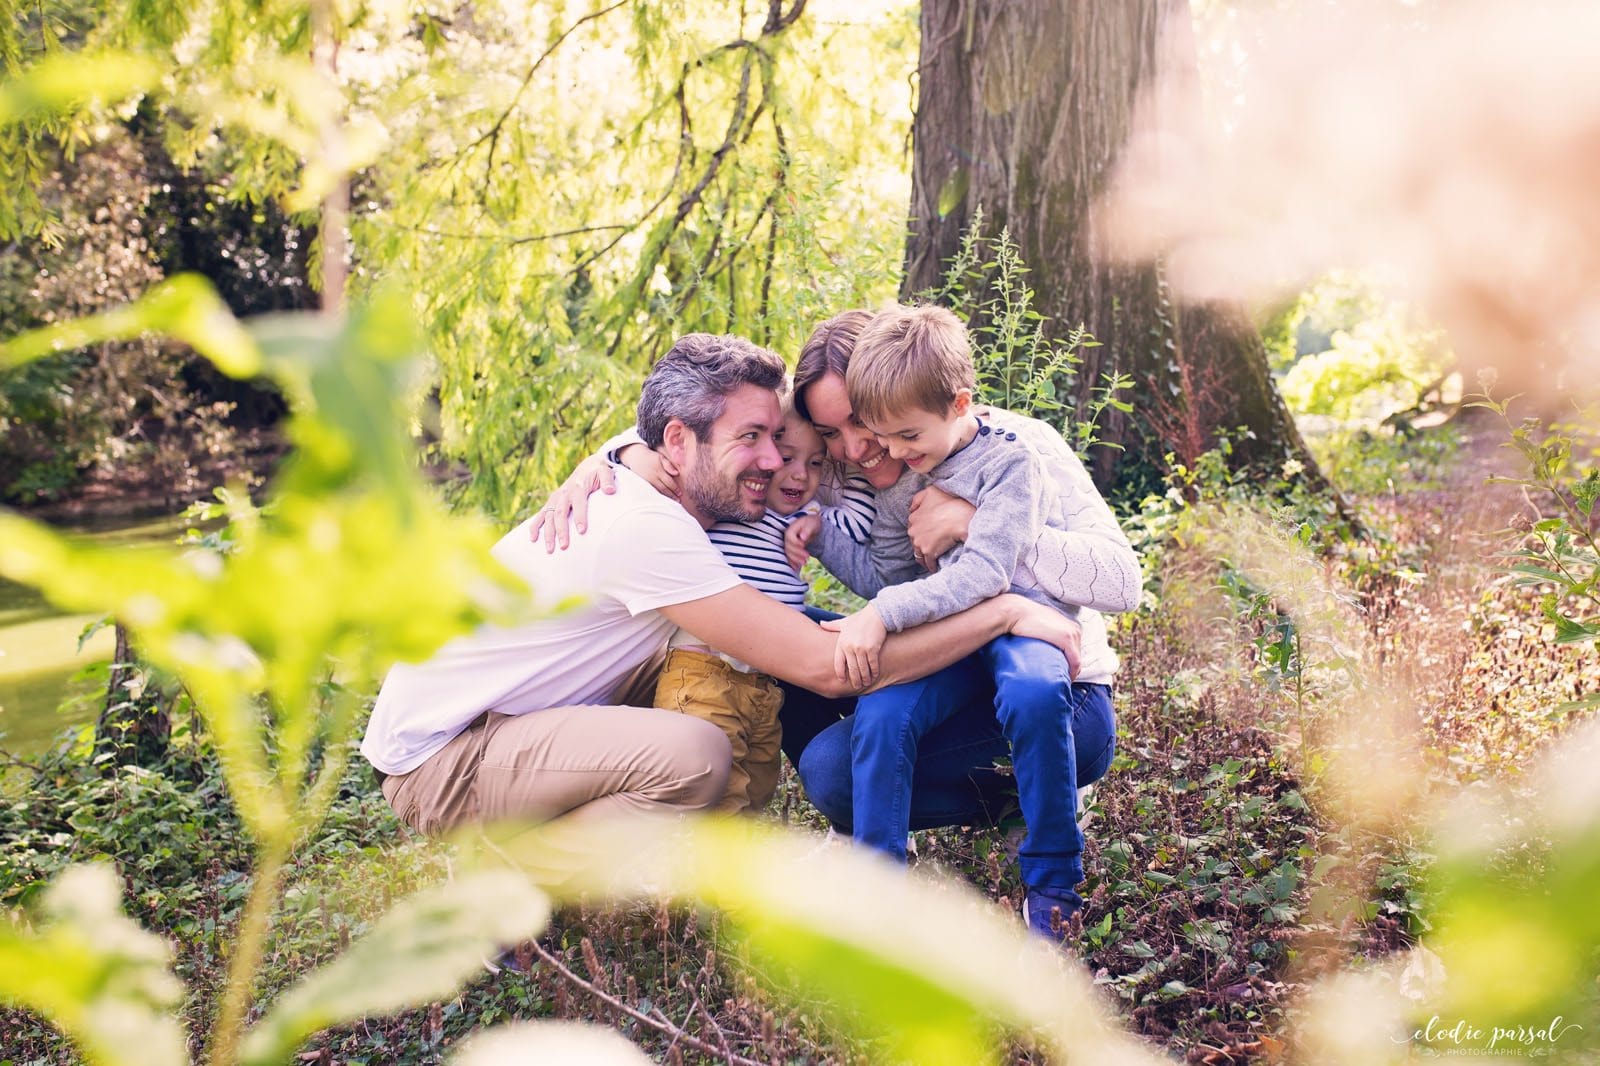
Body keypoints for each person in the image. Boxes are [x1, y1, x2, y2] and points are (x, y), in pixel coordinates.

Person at [361, 332, 1082, 878]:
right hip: (445, 758)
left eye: (779, 437)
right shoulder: (641, 524)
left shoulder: (665, 473)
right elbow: (830, 669)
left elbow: (663, 441)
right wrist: (1002, 611)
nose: (775, 461)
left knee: (741, 681)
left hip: (520, 719)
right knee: (698, 756)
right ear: (678, 441)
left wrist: (608, 452)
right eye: (752, 440)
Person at [803, 303, 1119, 938]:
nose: (867, 449)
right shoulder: (894, 467)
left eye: (874, 428)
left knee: (1033, 694)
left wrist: (969, 526)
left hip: (1048, 653)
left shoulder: (1017, 453)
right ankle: (882, 898)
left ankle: (1052, 878)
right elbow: (890, 572)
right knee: (864, 733)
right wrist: (818, 537)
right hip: (958, 652)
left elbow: (1094, 580)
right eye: (838, 434)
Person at [651, 402, 832, 814]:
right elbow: (656, 451)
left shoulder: (795, 515)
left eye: (816, 463)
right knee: (713, 795)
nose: (800, 473)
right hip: (707, 672)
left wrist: (816, 518)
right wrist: (621, 454)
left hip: (763, 683)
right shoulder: (729, 502)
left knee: (755, 791)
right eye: (785, 459)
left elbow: (851, 509)